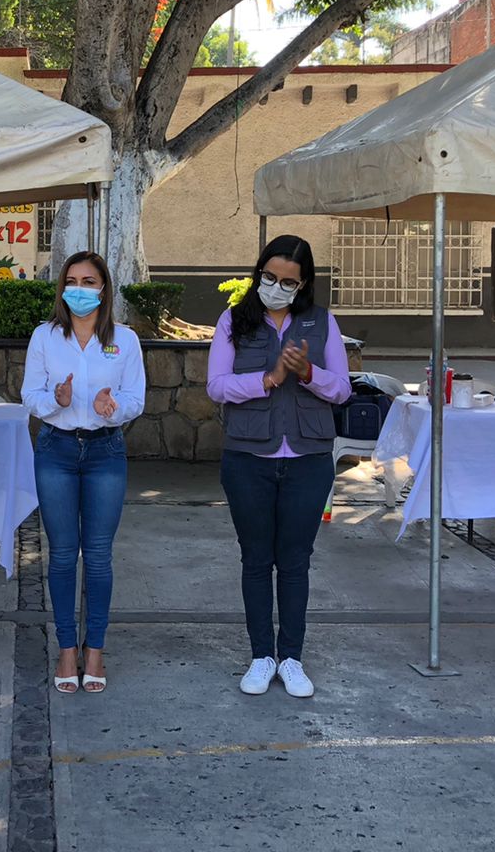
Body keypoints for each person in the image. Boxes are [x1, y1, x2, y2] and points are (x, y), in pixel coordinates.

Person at [206, 234, 351, 700]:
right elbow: (216, 386)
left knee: (294, 562)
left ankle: (291, 658)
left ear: (303, 282)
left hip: (308, 459)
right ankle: (260, 656)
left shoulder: (323, 323)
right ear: (258, 273)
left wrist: (310, 374)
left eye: (288, 280)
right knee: (255, 560)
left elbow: (343, 390)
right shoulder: (234, 321)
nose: (276, 286)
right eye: (269, 277)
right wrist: (268, 379)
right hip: (248, 458)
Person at [21, 251, 144, 694]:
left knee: (97, 556)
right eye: (71, 280)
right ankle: (67, 648)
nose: (79, 288)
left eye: (89, 281)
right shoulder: (45, 337)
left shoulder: (125, 340)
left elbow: (135, 398)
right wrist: (57, 397)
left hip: (104, 452)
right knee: (61, 554)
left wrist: (112, 409)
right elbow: (30, 396)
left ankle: (96, 649)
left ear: (104, 289)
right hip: (55, 449)